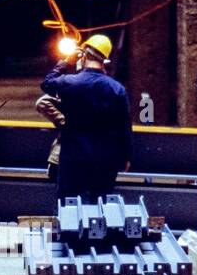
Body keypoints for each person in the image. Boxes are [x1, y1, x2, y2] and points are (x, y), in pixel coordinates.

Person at [40, 33, 132, 203]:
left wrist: (66, 62)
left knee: (70, 209)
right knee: (102, 208)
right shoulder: (117, 89)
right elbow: (124, 127)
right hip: (106, 160)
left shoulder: (69, 82)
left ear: (84, 55)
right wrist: (125, 157)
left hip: (73, 158)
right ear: (104, 60)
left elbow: (47, 83)